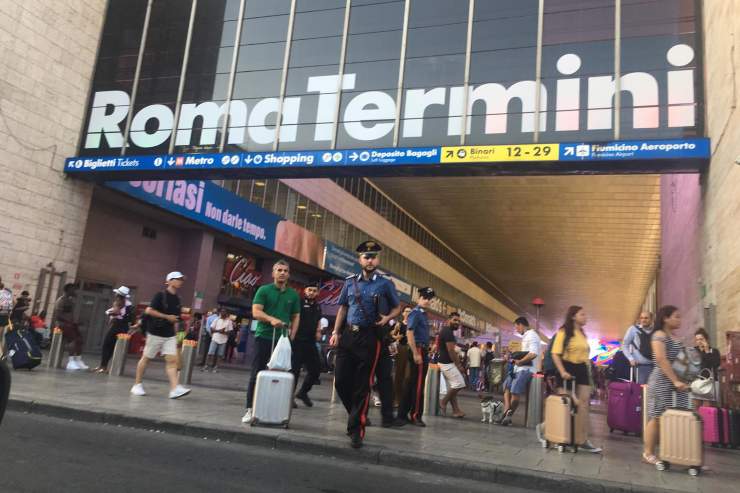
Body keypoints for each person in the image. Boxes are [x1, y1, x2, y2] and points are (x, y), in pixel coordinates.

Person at [331, 241, 401, 448]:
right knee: (341, 380)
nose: (370, 260)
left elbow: (397, 308)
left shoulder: (385, 284)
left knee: (363, 385)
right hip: (348, 336)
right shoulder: (350, 282)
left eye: (373, 256)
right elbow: (343, 309)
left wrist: (387, 318)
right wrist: (335, 332)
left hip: (370, 338)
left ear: (378, 260)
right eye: (366, 256)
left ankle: (356, 430)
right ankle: (356, 413)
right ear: (359, 259)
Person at [242, 260, 300, 424]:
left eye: (285, 271)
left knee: (282, 374)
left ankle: (275, 410)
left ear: (289, 274)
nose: (282, 273)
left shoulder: (293, 295)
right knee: (258, 373)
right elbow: (256, 312)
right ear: (273, 273)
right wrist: (271, 319)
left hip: (283, 340)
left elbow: (296, 316)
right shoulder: (264, 290)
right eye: (279, 270)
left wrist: (292, 336)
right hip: (264, 337)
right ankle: (250, 409)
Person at [642, 305, 691, 465]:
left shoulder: (675, 337)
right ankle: (648, 453)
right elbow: (661, 359)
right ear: (665, 318)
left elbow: (681, 360)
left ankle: (676, 453)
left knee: (678, 416)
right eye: (676, 316)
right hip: (662, 381)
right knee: (656, 416)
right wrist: (675, 380)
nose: (679, 319)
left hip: (678, 383)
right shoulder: (659, 335)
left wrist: (684, 378)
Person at [130, 272, 191, 399]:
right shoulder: (160, 295)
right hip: (155, 333)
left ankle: (174, 389)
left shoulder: (178, 299)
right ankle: (137, 384)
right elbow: (149, 310)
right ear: (169, 281)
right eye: (178, 279)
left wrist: (178, 336)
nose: (180, 281)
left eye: (181, 279)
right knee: (146, 358)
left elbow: (176, 319)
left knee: (172, 361)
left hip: (169, 334)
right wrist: (166, 316)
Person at [549, 306, 602, 453]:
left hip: (582, 369)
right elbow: (555, 354)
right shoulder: (564, 332)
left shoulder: (582, 334)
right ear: (573, 316)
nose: (586, 317)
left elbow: (585, 356)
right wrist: (562, 371)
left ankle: (582, 439)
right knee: (565, 404)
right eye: (582, 314)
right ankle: (554, 433)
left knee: (583, 405)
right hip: (567, 368)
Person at [394, 287, 435, 427]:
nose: (427, 301)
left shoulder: (423, 314)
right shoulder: (416, 313)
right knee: (418, 385)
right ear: (419, 298)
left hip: (421, 349)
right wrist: (416, 353)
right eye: (424, 298)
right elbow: (409, 333)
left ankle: (402, 414)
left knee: (412, 383)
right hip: (417, 349)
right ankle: (415, 415)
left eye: (429, 299)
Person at [497, 317, 540, 426]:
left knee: (515, 392)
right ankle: (506, 413)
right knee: (506, 387)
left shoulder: (532, 335)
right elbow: (526, 353)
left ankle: (509, 415)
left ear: (521, 325)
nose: (516, 330)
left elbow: (533, 354)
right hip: (517, 368)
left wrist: (520, 362)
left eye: (517, 327)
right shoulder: (526, 336)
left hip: (526, 369)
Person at [290, 282, 323, 408]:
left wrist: (318, 331)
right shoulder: (299, 303)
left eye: (314, 291)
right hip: (298, 341)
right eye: (309, 290)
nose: (312, 292)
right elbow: (293, 317)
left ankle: (303, 393)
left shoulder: (318, 306)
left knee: (316, 369)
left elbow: (318, 319)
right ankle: (289, 397)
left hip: (310, 342)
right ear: (305, 291)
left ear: (317, 293)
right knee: (295, 371)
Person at [94, 286, 134, 373]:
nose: (115, 294)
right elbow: (114, 312)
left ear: (119, 295)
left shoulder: (124, 304)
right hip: (120, 326)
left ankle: (107, 367)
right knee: (111, 346)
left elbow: (122, 315)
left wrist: (112, 314)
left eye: (117, 293)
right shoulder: (122, 303)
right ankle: (107, 367)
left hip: (119, 326)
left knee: (112, 346)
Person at [53, 283, 89, 371]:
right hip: (62, 324)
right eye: (73, 289)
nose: (75, 291)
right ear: (68, 290)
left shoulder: (70, 301)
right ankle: (71, 361)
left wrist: (75, 322)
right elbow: (58, 315)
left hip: (70, 323)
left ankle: (78, 360)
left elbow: (69, 314)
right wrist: (69, 322)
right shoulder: (61, 301)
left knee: (80, 339)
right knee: (73, 340)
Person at [438, 312, 466, 418]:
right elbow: (450, 350)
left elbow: (451, 349)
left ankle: (456, 411)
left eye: (458, 321)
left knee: (454, 385)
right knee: (459, 384)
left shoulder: (448, 331)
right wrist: (459, 365)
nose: (457, 322)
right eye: (454, 320)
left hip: (446, 362)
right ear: (448, 320)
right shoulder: (447, 332)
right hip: (446, 363)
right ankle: (443, 402)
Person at [621, 312, 654, 384]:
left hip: (655, 366)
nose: (643, 320)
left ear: (651, 319)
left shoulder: (655, 330)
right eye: (641, 318)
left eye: (646, 318)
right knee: (642, 391)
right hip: (641, 367)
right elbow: (624, 345)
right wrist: (630, 358)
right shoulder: (633, 329)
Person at [692, 327, 721, 408]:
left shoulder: (714, 351)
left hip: (709, 383)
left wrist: (707, 351)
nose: (699, 341)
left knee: (707, 407)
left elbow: (715, 364)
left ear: (707, 339)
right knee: (695, 405)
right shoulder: (693, 351)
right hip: (697, 383)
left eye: (701, 339)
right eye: (697, 339)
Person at [392, 306, 412, 407]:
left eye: (410, 312)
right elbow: (391, 335)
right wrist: (397, 337)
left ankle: (405, 400)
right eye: (407, 311)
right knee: (399, 375)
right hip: (401, 349)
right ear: (403, 313)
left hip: (411, 351)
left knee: (408, 376)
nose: (408, 313)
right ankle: (396, 399)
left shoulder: (414, 325)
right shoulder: (399, 324)